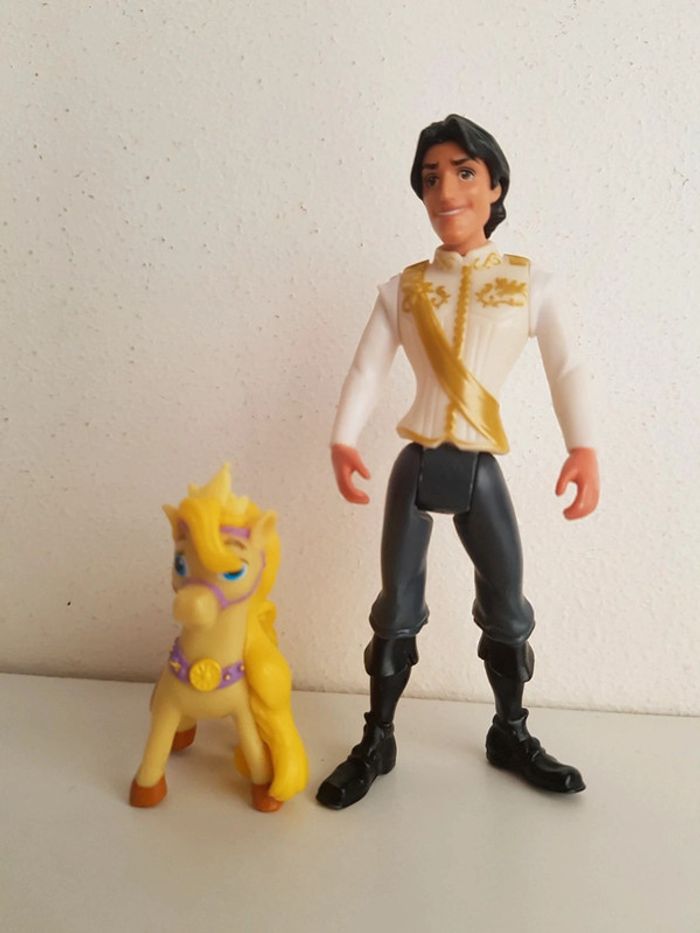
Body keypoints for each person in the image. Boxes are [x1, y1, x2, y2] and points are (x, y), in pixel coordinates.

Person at [316, 114, 600, 810]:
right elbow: (366, 369)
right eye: (430, 177)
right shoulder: (402, 288)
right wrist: (343, 437)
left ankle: (511, 731)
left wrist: (583, 446)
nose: (446, 190)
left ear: (494, 185)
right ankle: (377, 737)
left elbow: (568, 369)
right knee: (395, 609)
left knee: (507, 609)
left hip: (479, 469)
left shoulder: (531, 284)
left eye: (464, 172)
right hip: (416, 464)